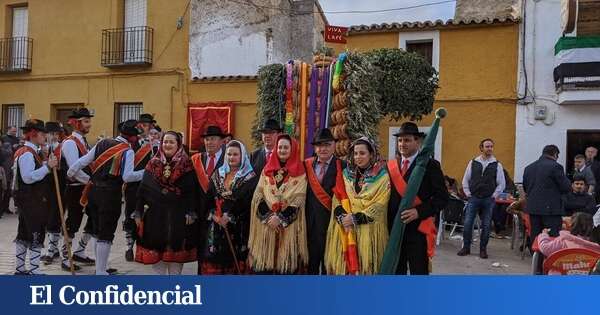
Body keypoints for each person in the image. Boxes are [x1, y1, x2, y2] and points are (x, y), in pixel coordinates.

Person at [67, 120, 144, 275]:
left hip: (93, 193)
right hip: (110, 195)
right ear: (133, 137)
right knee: (106, 233)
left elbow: (78, 165)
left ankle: (100, 268)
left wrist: (79, 177)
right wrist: (146, 173)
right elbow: (127, 177)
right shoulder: (127, 151)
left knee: (96, 230)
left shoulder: (102, 143)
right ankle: (101, 271)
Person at [134, 131, 199, 275]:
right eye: (165, 142)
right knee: (158, 256)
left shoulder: (186, 164)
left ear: (178, 145)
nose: (167, 145)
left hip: (178, 216)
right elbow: (143, 189)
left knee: (175, 258)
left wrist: (191, 211)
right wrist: (138, 211)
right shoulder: (152, 163)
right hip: (155, 216)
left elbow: (191, 192)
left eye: (171, 142)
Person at [386, 122, 448, 274]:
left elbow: (442, 198)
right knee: (396, 272)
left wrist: (419, 211)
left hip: (418, 231)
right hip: (394, 229)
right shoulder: (390, 166)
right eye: (400, 140)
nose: (402, 144)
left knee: (418, 273)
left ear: (418, 142)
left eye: (407, 140)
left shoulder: (430, 165)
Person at [325, 137, 390, 275]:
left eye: (362, 153)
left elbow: (381, 204)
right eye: (355, 153)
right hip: (346, 230)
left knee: (367, 272)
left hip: (369, 233)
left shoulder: (382, 177)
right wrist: (342, 217)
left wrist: (355, 218)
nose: (358, 157)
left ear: (371, 154)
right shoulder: (346, 175)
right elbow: (337, 197)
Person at [248, 134, 308, 274]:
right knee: (265, 270)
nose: (282, 150)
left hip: (288, 230)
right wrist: (269, 217)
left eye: (286, 147)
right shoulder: (266, 170)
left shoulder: (300, 172)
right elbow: (258, 196)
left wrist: (280, 218)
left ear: (292, 149)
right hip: (267, 227)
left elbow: (298, 201)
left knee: (285, 270)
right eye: (279, 147)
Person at [201, 140, 257, 274]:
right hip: (216, 228)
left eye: (235, 155)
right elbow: (208, 200)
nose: (231, 157)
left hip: (239, 229)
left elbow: (249, 203)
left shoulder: (250, 177)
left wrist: (230, 216)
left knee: (235, 265)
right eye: (229, 154)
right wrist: (215, 216)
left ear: (242, 156)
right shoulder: (217, 174)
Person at [13, 119, 58, 275]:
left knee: (24, 233)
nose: (45, 136)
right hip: (32, 200)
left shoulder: (28, 151)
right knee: (35, 233)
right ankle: (34, 270)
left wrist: (45, 159)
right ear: (33, 134)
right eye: (42, 133)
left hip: (28, 200)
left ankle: (20, 269)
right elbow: (27, 177)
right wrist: (47, 167)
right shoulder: (26, 153)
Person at [56, 108, 95, 271]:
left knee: (93, 219)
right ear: (77, 123)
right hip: (75, 188)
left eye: (89, 121)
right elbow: (74, 169)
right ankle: (66, 257)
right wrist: (91, 182)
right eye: (86, 121)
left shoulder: (84, 141)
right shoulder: (71, 142)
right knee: (73, 223)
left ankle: (80, 250)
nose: (90, 124)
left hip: (86, 187)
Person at [304, 128, 345, 275]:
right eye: (319, 145)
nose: (323, 149)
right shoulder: (306, 165)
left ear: (334, 146)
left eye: (327, 145)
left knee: (330, 267)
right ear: (315, 148)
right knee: (311, 267)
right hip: (310, 225)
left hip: (332, 225)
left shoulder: (343, 166)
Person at [458, 138, 506, 259]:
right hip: (473, 198)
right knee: (468, 223)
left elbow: (502, 183)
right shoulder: (473, 162)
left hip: (488, 199)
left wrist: (494, 195)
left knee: (486, 225)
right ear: (481, 148)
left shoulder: (497, 164)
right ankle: (466, 247)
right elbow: (465, 179)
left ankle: (483, 250)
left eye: (491, 146)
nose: (489, 149)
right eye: (487, 146)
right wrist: (468, 193)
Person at [190, 125, 226, 274]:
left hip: (220, 214)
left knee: (219, 252)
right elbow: (190, 187)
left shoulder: (228, 159)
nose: (209, 142)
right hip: (200, 215)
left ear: (221, 141)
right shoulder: (196, 160)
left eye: (213, 139)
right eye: (207, 139)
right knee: (201, 252)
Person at [122, 114, 156, 262]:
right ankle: (129, 247)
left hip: (148, 186)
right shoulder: (130, 143)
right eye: (141, 125)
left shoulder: (154, 144)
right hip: (132, 185)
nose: (144, 127)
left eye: (147, 125)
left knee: (146, 216)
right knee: (130, 215)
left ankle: (143, 247)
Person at [523, 145, 571, 241]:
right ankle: (548, 256)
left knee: (536, 235)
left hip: (533, 207)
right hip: (551, 210)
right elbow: (566, 187)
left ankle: (536, 256)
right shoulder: (556, 166)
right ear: (555, 154)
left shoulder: (529, 167)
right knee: (552, 237)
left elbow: (525, 187)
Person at [39, 121, 65, 264]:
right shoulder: (42, 149)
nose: (54, 136)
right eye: (51, 134)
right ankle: (54, 249)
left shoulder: (61, 149)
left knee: (54, 218)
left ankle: (50, 251)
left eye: (56, 134)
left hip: (58, 188)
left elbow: (63, 168)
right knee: (47, 217)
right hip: (46, 189)